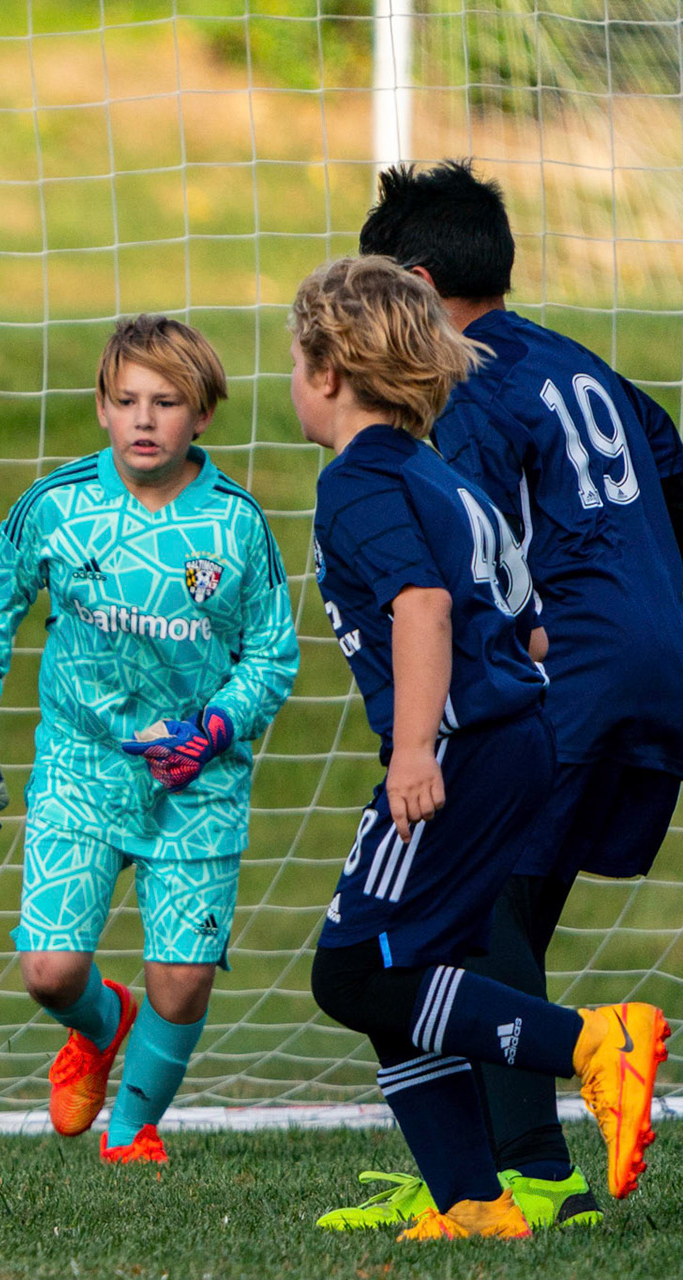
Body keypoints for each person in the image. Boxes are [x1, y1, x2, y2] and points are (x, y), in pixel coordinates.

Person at [316, 160, 683, 1232]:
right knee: (492, 910)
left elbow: (457, 561)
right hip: (653, 656)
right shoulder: (582, 366)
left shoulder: (462, 383)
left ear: (417, 287)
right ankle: (480, 1163)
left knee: (461, 911)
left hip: (559, 666)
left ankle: (526, 1170)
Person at [0, 315, 299, 1163]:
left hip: (197, 781)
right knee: (51, 972)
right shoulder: (59, 507)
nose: (145, 419)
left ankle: (132, 1131)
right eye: (127, 400)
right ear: (101, 408)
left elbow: (272, 654)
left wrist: (214, 729)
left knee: (183, 980)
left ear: (203, 415)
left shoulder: (237, 528)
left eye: (167, 402)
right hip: (82, 765)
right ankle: (102, 1025)